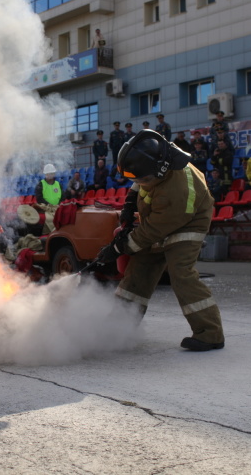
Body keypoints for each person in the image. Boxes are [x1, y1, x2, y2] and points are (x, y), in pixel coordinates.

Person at [97, 130, 225, 351]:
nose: (138, 182)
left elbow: (152, 231)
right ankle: (119, 328)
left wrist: (119, 247)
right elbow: (140, 180)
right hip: (159, 220)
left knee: (181, 274)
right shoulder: (157, 158)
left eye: (142, 179)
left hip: (187, 224)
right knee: (139, 269)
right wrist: (129, 203)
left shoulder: (176, 191)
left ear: (159, 171)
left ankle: (210, 334)